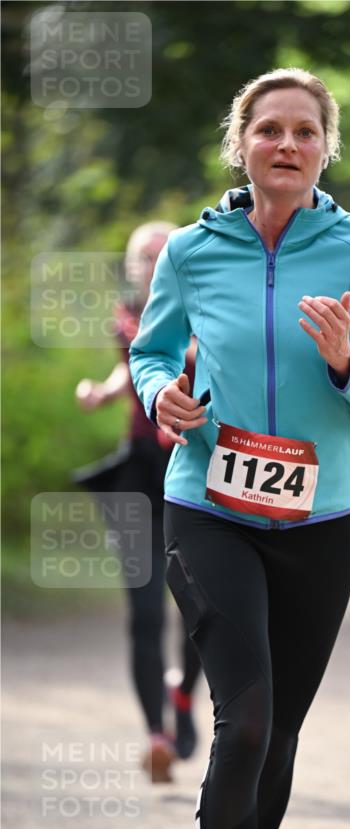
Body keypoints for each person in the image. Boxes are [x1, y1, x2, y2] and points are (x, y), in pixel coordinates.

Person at [129, 67, 350, 829]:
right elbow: (154, 350)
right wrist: (161, 394)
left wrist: (343, 360)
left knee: (279, 732)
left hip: (317, 520)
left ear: (326, 146)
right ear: (240, 142)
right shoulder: (191, 249)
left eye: (303, 131)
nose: (285, 145)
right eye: (268, 130)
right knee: (242, 723)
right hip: (206, 505)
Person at [74, 221, 202, 783]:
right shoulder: (129, 315)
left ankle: (182, 696)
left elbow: (197, 354)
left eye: (160, 255)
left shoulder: (205, 307)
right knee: (145, 611)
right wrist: (105, 390)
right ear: (130, 268)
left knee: (203, 612)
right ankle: (155, 735)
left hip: (196, 475)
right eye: (141, 257)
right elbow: (137, 363)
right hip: (140, 475)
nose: (150, 265)